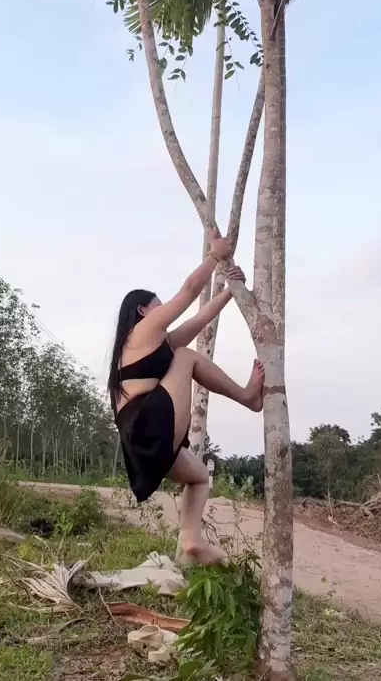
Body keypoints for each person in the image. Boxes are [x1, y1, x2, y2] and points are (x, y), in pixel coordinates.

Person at [107, 231, 265, 565]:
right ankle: (248, 397)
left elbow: (199, 319)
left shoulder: (152, 345)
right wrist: (214, 255)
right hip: (147, 426)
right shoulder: (142, 331)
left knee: (199, 476)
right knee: (186, 357)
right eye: (158, 306)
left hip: (140, 443)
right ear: (142, 310)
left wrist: (231, 289)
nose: (163, 310)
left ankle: (191, 540)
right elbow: (190, 290)